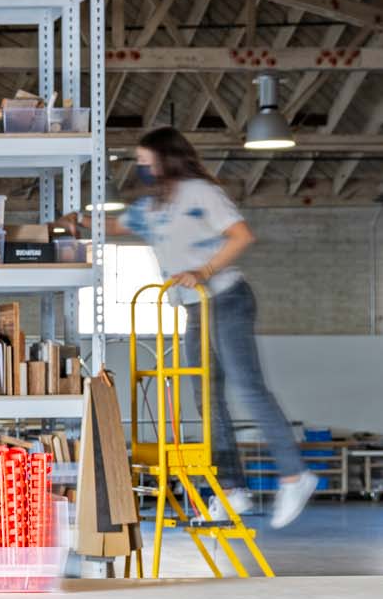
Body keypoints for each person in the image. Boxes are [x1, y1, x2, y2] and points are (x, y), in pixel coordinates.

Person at [120, 126, 317, 532]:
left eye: (145, 160)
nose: (140, 167)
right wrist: (72, 223)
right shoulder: (152, 207)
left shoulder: (199, 192)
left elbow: (242, 235)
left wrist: (204, 270)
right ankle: (231, 488)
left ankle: (296, 475)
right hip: (195, 309)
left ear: (164, 159)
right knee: (205, 397)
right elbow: (115, 226)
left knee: (246, 386)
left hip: (227, 297)